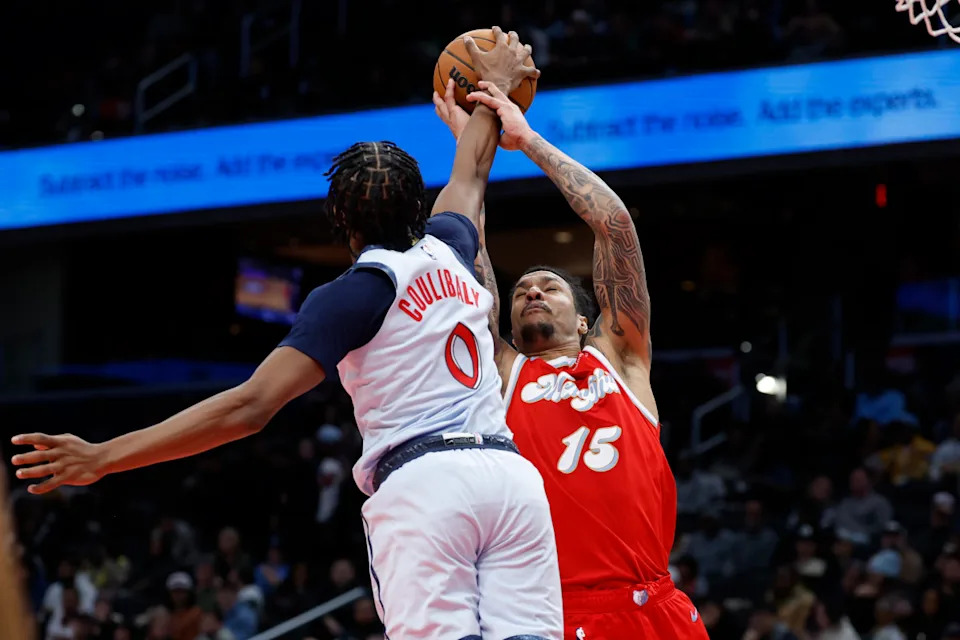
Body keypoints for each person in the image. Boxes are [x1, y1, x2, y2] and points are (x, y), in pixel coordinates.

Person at [10, 28, 562, 639]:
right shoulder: (454, 245)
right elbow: (473, 168)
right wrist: (498, 83)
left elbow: (249, 406)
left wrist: (104, 456)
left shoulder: (356, 292)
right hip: (511, 481)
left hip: (427, 485)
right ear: (418, 206)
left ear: (341, 219)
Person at [434, 79, 708, 639]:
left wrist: (527, 140)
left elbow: (615, 227)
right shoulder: (507, 372)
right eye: (520, 291)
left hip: (651, 604)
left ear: (585, 321)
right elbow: (467, 255)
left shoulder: (622, 359)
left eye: (550, 287)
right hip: (549, 615)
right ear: (506, 323)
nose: (532, 291)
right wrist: (472, 151)